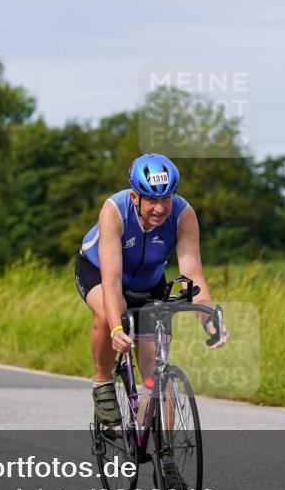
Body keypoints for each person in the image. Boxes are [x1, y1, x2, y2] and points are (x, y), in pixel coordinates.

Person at [75, 153, 229, 428]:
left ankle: (166, 456)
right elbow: (111, 281)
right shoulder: (114, 211)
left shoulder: (183, 215)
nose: (160, 208)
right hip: (99, 272)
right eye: (153, 200)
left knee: (156, 366)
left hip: (150, 282)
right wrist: (115, 329)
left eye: (166, 198)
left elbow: (192, 275)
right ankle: (102, 383)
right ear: (135, 197)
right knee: (112, 312)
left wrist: (208, 319)